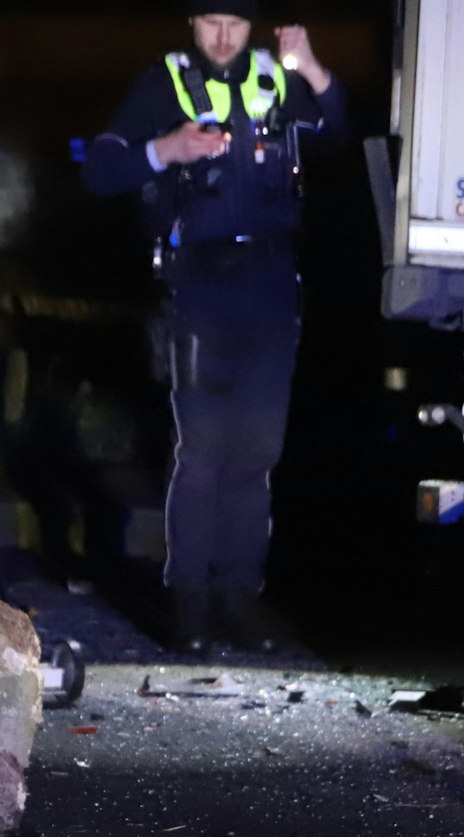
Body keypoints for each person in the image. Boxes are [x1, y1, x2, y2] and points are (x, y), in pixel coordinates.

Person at [81, 1, 346, 653]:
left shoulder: (277, 78)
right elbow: (101, 169)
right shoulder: (164, 84)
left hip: (271, 285)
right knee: (201, 455)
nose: (223, 37)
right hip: (199, 288)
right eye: (210, 23)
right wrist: (165, 148)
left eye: (235, 23)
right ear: (191, 25)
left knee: (256, 456)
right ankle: (190, 608)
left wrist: (311, 68)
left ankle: (239, 600)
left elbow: (339, 134)